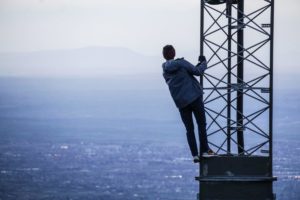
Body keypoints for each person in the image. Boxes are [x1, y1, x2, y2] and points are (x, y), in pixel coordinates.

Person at [161, 45, 215, 163]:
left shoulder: (165, 71)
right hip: (194, 97)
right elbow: (197, 72)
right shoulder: (181, 63)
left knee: (189, 129)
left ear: (164, 55)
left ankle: (195, 154)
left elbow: (182, 76)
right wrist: (203, 62)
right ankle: (205, 150)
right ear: (174, 52)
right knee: (201, 124)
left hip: (181, 103)